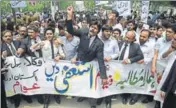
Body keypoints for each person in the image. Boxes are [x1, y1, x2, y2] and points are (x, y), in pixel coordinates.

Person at [66, 6, 108, 108]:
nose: (92, 29)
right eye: (91, 27)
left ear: (98, 31)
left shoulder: (99, 44)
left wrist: (103, 76)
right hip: (80, 64)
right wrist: (69, 15)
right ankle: (82, 96)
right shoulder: (83, 32)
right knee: (80, 82)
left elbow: (101, 60)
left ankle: (92, 103)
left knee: (91, 85)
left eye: (95, 28)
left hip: (91, 67)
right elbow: (70, 30)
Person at [1, 30, 26, 108]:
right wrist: (2, 57)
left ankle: (25, 97)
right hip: (10, 72)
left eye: (9, 36)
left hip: (20, 69)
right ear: (2, 38)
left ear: (12, 36)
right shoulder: (1, 46)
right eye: (6, 36)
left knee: (23, 83)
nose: (8, 37)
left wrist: (22, 48)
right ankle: (15, 99)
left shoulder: (17, 42)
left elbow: (23, 45)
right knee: (13, 86)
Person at [118, 30, 144, 105]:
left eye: (129, 38)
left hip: (130, 69)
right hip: (118, 68)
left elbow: (140, 56)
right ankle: (124, 97)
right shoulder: (120, 43)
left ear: (133, 39)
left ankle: (133, 98)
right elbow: (116, 53)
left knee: (130, 83)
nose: (127, 39)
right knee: (122, 82)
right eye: (126, 37)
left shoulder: (136, 46)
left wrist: (130, 60)